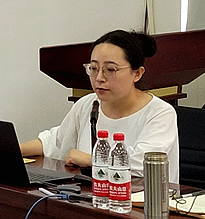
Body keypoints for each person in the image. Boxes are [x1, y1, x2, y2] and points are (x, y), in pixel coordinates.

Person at [20, 30, 179, 183]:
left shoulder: (160, 113)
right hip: (92, 195)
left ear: (137, 73)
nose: (99, 78)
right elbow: (54, 142)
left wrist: (91, 160)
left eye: (110, 70)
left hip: (141, 198)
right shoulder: (88, 104)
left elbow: (144, 164)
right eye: (94, 69)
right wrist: (13, 149)